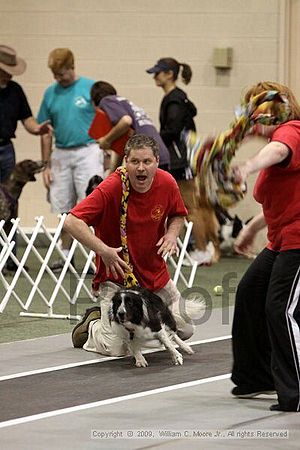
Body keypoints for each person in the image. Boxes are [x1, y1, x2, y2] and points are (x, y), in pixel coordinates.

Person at [64, 134, 194, 356]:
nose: (141, 168)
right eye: (135, 162)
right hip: (118, 282)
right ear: (126, 161)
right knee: (117, 349)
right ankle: (93, 324)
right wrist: (103, 250)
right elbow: (71, 221)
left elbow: (177, 215)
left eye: (147, 162)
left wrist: (172, 235)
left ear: (156, 162)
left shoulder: (167, 183)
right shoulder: (111, 187)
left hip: (155, 278)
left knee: (184, 330)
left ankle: (131, 327)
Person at [230, 81, 300, 412]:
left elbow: (280, 151)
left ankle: (296, 392)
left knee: (280, 308)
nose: (259, 116)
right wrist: (249, 229)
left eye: (265, 109)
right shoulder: (277, 136)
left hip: (298, 241)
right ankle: (256, 377)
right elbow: (279, 202)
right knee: (249, 292)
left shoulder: (293, 131)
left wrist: (248, 165)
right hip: (282, 237)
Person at [37, 48, 104, 271]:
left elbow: (106, 118)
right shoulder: (50, 93)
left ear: (72, 67)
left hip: (88, 149)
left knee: (93, 202)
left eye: (62, 73)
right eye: (55, 75)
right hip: (61, 153)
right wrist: (45, 164)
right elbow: (45, 131)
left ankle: (99, 255)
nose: (58, 78)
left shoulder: (89, 88)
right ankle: (64, 255)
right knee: (62, 205)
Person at [146, 58, 215, 265]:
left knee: (190, 207)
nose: (154, 77)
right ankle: (193, 248)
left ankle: (202, 250)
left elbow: (172, 130)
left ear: (169, 74)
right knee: (184, 206)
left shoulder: (174, 99)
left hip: (181, 160)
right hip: (179, 159)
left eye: (158, 73)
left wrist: (154, 141)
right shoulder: (176, 98)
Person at [0, 45, 52, 271]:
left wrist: (38, 129)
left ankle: (9, 257)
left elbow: (28, 120)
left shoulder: (15, 90)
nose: (10, 73)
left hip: (5, 150)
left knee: (11, 205)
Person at [90, 81, 170, 174]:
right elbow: (123, 146)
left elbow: (126, 121)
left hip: (147, 159)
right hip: (159, 156)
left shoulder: (107, 101)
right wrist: (113, 174)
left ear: (94, 101)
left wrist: (106, 140)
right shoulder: (123, 103)